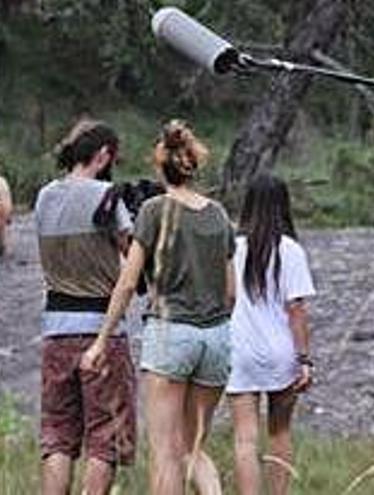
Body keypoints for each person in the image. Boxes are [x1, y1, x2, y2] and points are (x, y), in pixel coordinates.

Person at [81, 120, 236, 495]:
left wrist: (101, 341)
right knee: (194, 447)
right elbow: (231, 292)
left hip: (170, 333)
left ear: (159, 166)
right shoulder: (218, 214)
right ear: (193, 165)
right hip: (215, 338)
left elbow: (129, 282)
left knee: (165, 451)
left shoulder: (154, 211)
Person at [35, 119, 136, 495]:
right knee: (104, 437)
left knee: (58, 436)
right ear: (104, 154)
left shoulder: (45, 196)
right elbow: (134, 259)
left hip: (55, 331)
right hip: (101, 331)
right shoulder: (108, 196)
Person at [227, 174, 316, 495]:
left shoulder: (232, 250)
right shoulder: (290, 250)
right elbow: (296, 310)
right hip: (281, 352)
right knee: (280, 432)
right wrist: (304, 358)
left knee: (244, 438)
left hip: (239, 350)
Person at [0, 173, 11, 256]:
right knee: (2, 228)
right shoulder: (2, 181)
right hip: (4, 207)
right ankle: (2, 246)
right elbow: (7, 198)